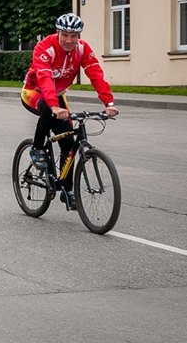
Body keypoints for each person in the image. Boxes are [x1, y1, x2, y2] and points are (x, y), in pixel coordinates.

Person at [21, 13, 119, 205]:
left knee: (69, 143)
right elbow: (45, 78)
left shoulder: (82, 49)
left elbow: (95, 74)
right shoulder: (45, 47)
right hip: (34, 91)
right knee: (49, 111)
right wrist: (54, 106)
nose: (69, 40)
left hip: (57, 95)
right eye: (65, 35)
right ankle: (37, 148)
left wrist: (109, 103)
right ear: (58, 32)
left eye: (74, 36)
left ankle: (67, 189)